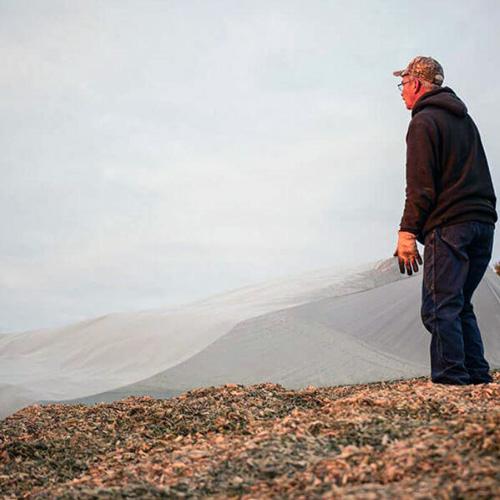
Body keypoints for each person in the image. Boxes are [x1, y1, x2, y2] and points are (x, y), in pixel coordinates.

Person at [392, 56, 497, 385]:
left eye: (403, 83)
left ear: (418, 85)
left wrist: (407, 232)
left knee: (439, 307)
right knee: (459, 304)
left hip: (451, 225)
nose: (401, 92)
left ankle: (452, 381)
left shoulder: (423, 122)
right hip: (483, 223)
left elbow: (421, 186)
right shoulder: (465, 121)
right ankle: (477, 378)